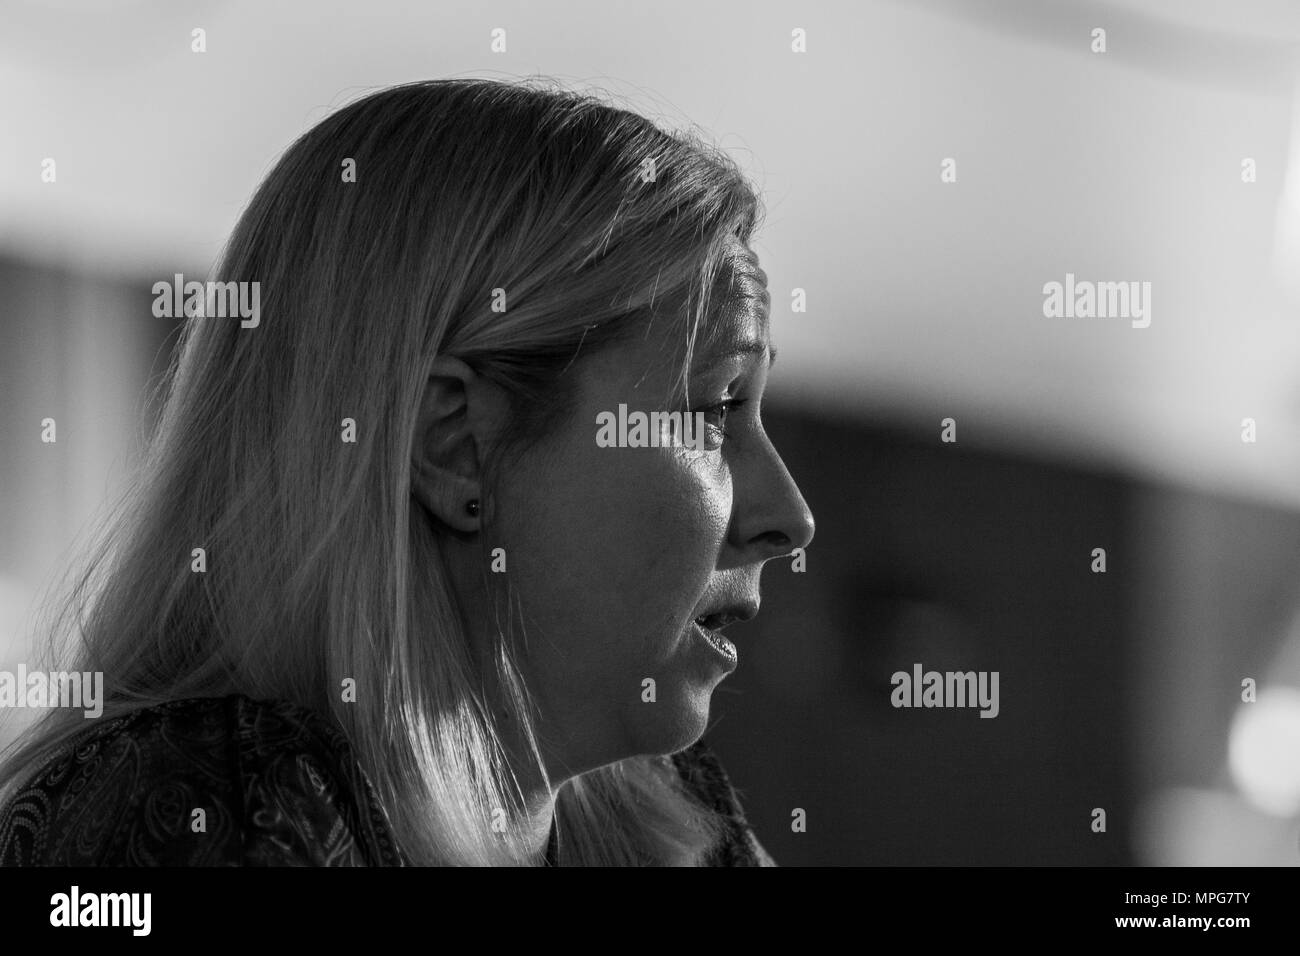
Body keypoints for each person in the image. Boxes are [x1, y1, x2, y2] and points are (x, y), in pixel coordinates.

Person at [0, 78, 815, 866]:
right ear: (454, 445)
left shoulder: (679, 823)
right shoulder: (213, 806)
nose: (790, 517)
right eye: (714, 411)